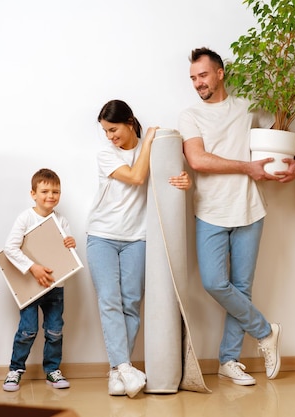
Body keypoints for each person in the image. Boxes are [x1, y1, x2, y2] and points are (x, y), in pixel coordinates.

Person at [178, 47, 295, 386]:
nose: (197, 83)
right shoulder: (190, 115)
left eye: (202, 75)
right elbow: (199, 160)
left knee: (242, 288)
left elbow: (286, 133)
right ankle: (265, 331)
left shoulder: (249, 106)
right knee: (214, 283)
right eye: (193, 78)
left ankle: (228, 361)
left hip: (250, 208)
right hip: (209, 211)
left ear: (220, 73)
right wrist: (246, 167)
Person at [87, 99, 191, 398]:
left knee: (131, 304)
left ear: (129, 122)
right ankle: (123, 366)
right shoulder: (106, 155)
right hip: (102, 236)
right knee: (109, 300)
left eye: (113, 129)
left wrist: (184, 180)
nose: (110, 137)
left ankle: (118, 372)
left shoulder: (155, 152)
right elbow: (136, 177)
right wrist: (147, 142)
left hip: (137, 239)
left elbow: (167, 180)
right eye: (106, 131)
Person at [2, 168, 75, 392]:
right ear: (33, 193)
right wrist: (32, 267)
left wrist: (71, 244)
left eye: (56, 191)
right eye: (44, 191)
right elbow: (9, 248)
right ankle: (15, 370)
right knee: (28, 330)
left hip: (55, 285)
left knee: (55, 330)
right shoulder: (25, 217)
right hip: (30, 287)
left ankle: (52, 371)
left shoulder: (61, 220)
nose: (50, 196)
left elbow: (63, 255)